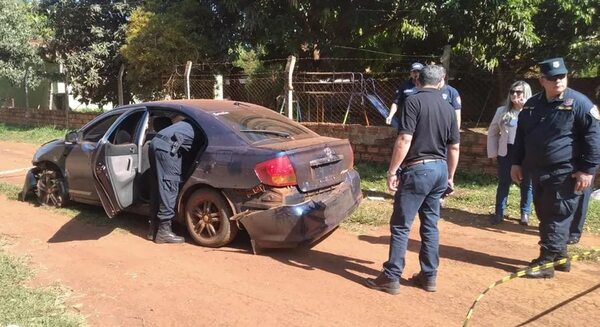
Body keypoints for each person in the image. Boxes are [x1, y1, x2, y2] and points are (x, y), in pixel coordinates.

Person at [365, 64, 460, 294]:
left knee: (401, 225)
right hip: (439, 170)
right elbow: (454, 147)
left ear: (418, 81)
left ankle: (391, 276)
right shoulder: (448, 108)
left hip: (418, 170)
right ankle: (429, 276)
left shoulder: (412, 102)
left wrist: (392, 171)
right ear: (441, 82)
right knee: (430, 225)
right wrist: (450, 177)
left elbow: (404, 139)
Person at [511, 57, 600, 278]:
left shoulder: (580, 104)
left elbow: (594, 139)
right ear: (542, 80)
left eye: (562, 76)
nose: (558, 81)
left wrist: (588, 170)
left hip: (565, 172)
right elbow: (521, 136)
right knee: (545, 213)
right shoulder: (532, 105)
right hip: (538, 171)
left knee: (556, 214)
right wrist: (516, 162)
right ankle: (560, 257)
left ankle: (545, 263)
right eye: (553, 78)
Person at [487, 81, 534, 226]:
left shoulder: (532, 111)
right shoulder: (502, 111)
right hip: (506, 151)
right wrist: (493, 152)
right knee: (504, 182)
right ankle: (499, 212)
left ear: (526, 93)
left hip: (526, 153)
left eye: (519, 92)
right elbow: (493, 132)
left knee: (527, 183)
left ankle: (525, 213)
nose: (514, 95)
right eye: (512, 91)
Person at [148, 117, 195, 244]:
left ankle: (153, 228)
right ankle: (164, 231)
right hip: (167, 148)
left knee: (157, 186)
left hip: (156, 143)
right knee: (169, 185)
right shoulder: (206, 127)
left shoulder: (190, 121)